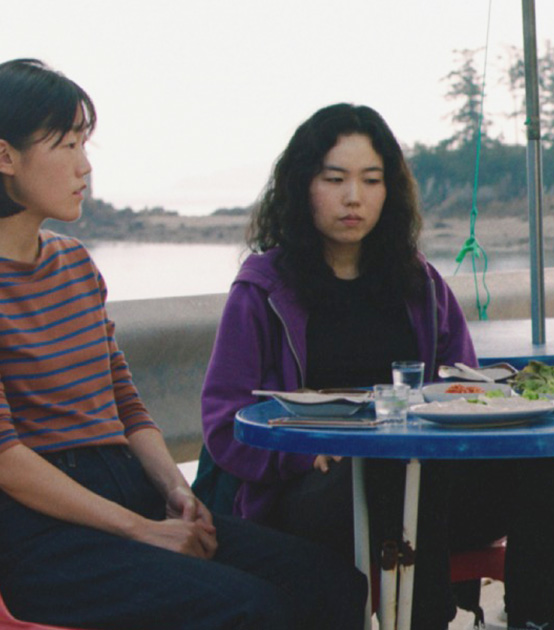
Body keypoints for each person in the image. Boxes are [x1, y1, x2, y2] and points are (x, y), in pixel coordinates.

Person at [0, 58, 367, 630]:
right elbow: (8, 461)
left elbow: (125, 403)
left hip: (127, 487)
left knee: (331, 581)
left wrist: (176, 490)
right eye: (67, 146)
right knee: (250, 609)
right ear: (6, 157)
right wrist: (142, 531)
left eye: (84, 144)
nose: (84, 166)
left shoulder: (73, 263)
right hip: (44, 530)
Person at [200, 102, 554, 630]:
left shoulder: (420, 283)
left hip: (427, 485)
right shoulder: (264, 289)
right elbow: (223, 424)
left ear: (390, 190)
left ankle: (539, 620)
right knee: (396, 468)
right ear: (302, 185)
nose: (353, 197)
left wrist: (484, 408)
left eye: (371, 180)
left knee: (551, 461)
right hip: (314, 499)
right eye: (334, 179)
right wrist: (301, 456)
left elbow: (465, 389)